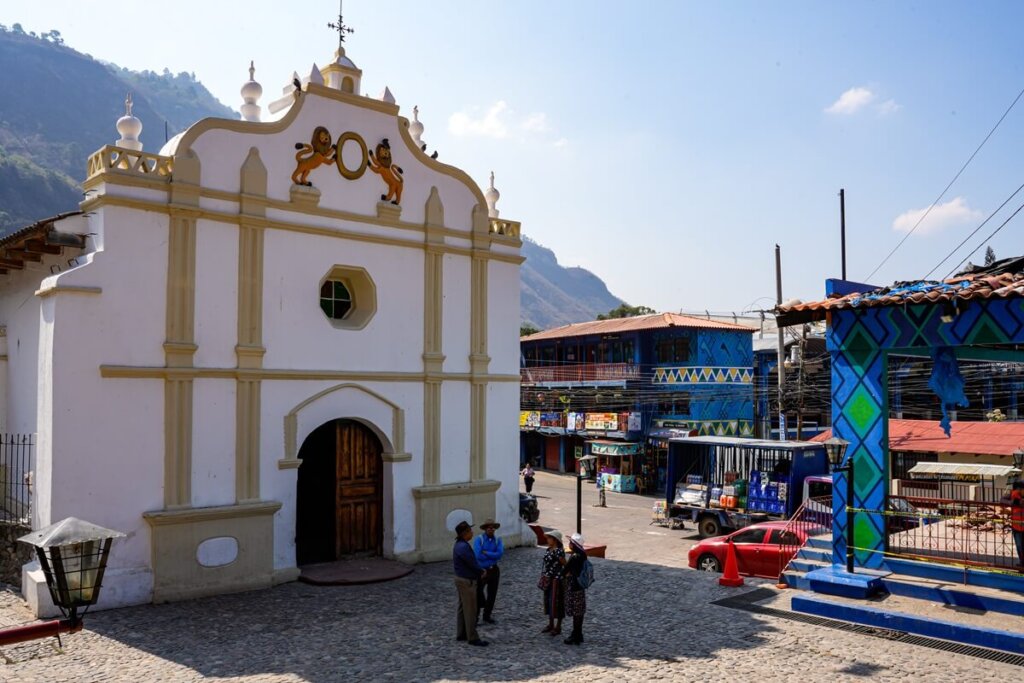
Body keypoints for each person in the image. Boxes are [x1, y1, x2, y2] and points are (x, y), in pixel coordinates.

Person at [452, 520, 488, 646]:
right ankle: (472, 637)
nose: (472, 533)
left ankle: (461, 633)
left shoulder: (460, 545)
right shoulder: (463, 547)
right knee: (471, 609)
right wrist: (481, 571)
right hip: (467, 581)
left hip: (461, 578)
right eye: (470, 531)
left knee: (462, 608)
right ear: (464, 533)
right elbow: (472, 563)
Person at [474, 518, 504, 624]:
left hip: (494, 570)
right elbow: (478, 555)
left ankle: (487, 615)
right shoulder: (479, 539)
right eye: (489, 527)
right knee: (478, 593)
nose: (491, 529)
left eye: (493, 527)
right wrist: (492, 555)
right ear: (485, 529)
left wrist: (486, 553)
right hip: (482, 570)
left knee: (492, 594)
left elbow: (499, 554)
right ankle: (476, 617)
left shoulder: (498, 540)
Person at [563, 533, 589, 645]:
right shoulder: (583, 554)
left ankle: (575, 635)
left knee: (575, 612)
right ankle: (579, 634)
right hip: (581, 586)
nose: (569, 544)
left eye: (570, 542)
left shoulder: (574, 557)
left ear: (573, 544)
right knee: (580, 611)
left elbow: (565, 570)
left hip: (574, 586)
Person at [539, 529, 565, 635]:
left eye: (550, 538)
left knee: (557, 602)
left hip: (557, 580)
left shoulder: (559, 551)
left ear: (555, 540)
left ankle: (558, 626)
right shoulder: (548, 550)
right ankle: (551, 624)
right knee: (549, 601)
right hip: (548, 579)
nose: (548, 540)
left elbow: (564, 563)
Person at [1008, 480, 1024, 570]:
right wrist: (1013, 503)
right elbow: (1002, 499)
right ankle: (1022, 564)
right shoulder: (1014, 495)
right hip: (1016, 527)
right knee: (1019, 546)